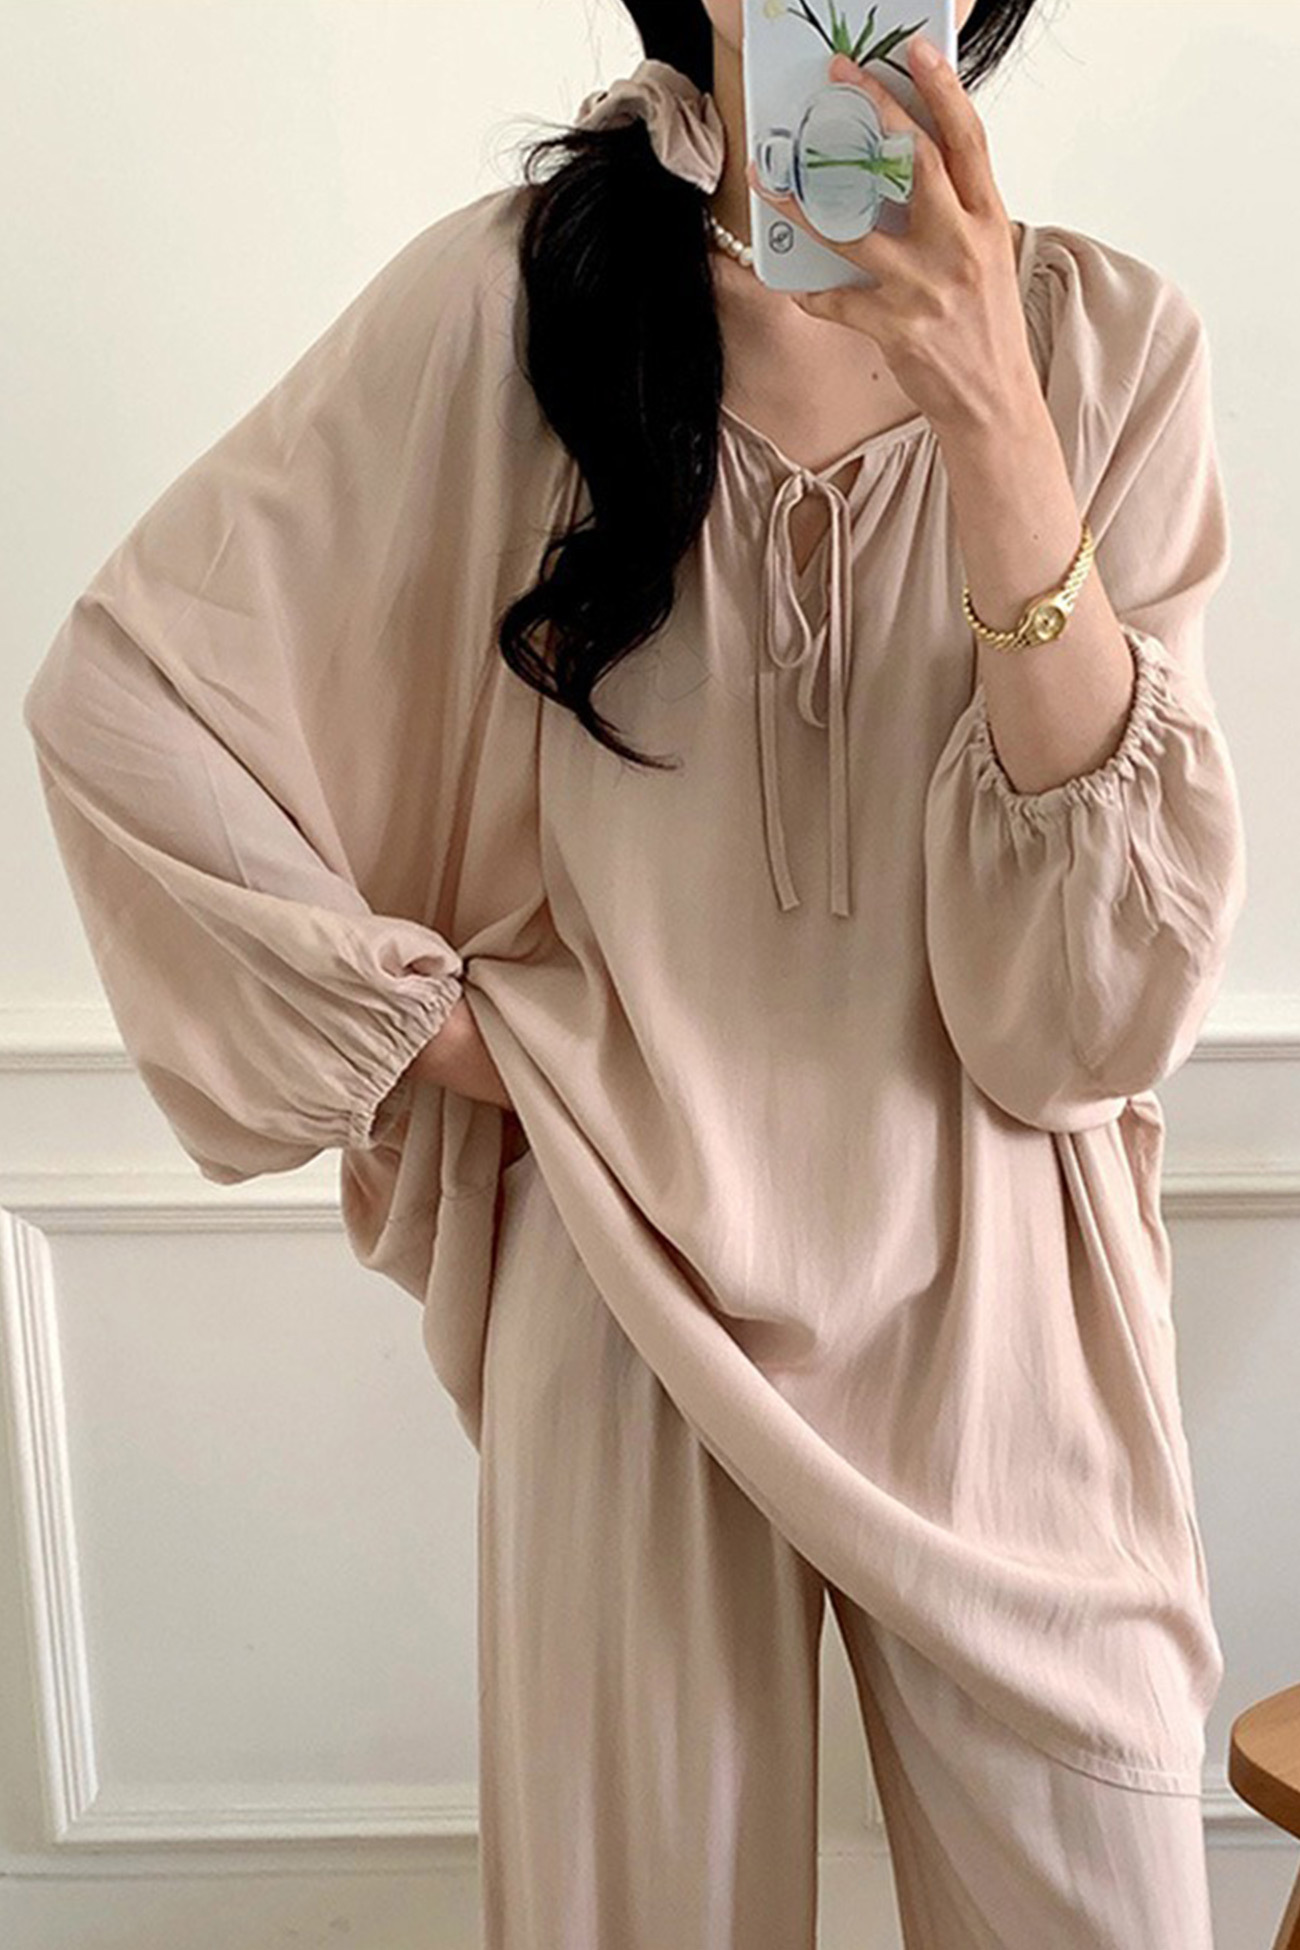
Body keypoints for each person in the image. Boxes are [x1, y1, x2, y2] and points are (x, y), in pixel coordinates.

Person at [21, 0, 1246, 1942]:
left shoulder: (1109, 349)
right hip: (631, 1295)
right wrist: (487, 1040)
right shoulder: (519, 310)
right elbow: (127, 703)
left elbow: (1077, 1020)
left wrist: (994, 418)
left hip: (1011, 1315)